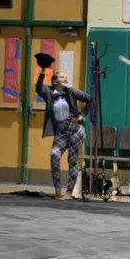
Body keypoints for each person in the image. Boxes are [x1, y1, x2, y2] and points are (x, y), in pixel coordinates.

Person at [36, 68, 92, 200]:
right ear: (55, 81)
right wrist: (43, 72)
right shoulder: (49, 92)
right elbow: (38, 89)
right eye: (62, 77)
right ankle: (57, 190)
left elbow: (91, 99)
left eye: (65, 77)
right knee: (54, 155)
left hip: (75, 129)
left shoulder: (71, 91)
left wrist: (82, 115)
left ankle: (68, 192)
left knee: (72, 161)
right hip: (61, 131)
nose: (65, 78)